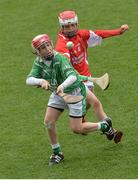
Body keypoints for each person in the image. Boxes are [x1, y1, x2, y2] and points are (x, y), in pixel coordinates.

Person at [26, 34, 114, 165]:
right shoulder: (39, 62)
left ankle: (104, 126)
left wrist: (62, 85)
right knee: (48, 122)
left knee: (76, 129)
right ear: (37, 52)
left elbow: (72, 77)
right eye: (43, 47)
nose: (48, 48)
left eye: (49, 45)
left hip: (74, 93)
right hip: (58, 94)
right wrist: (41, 81)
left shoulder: (60, 59)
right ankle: (57, 153)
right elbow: (28, 80)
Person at [55, 10, 128, 140]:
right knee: (95, 102)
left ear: (77, 24)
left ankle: (82, 119)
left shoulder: (82, 34)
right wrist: (66, 55)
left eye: (73, 25)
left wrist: (118, 31)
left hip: (86, 77)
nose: (71, 28)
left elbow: (99, 33)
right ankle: (110, 131)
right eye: (67, 26)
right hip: (73, 81)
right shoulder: (62, 43)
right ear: (62, 27)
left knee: (88, 104)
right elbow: (62, 58)